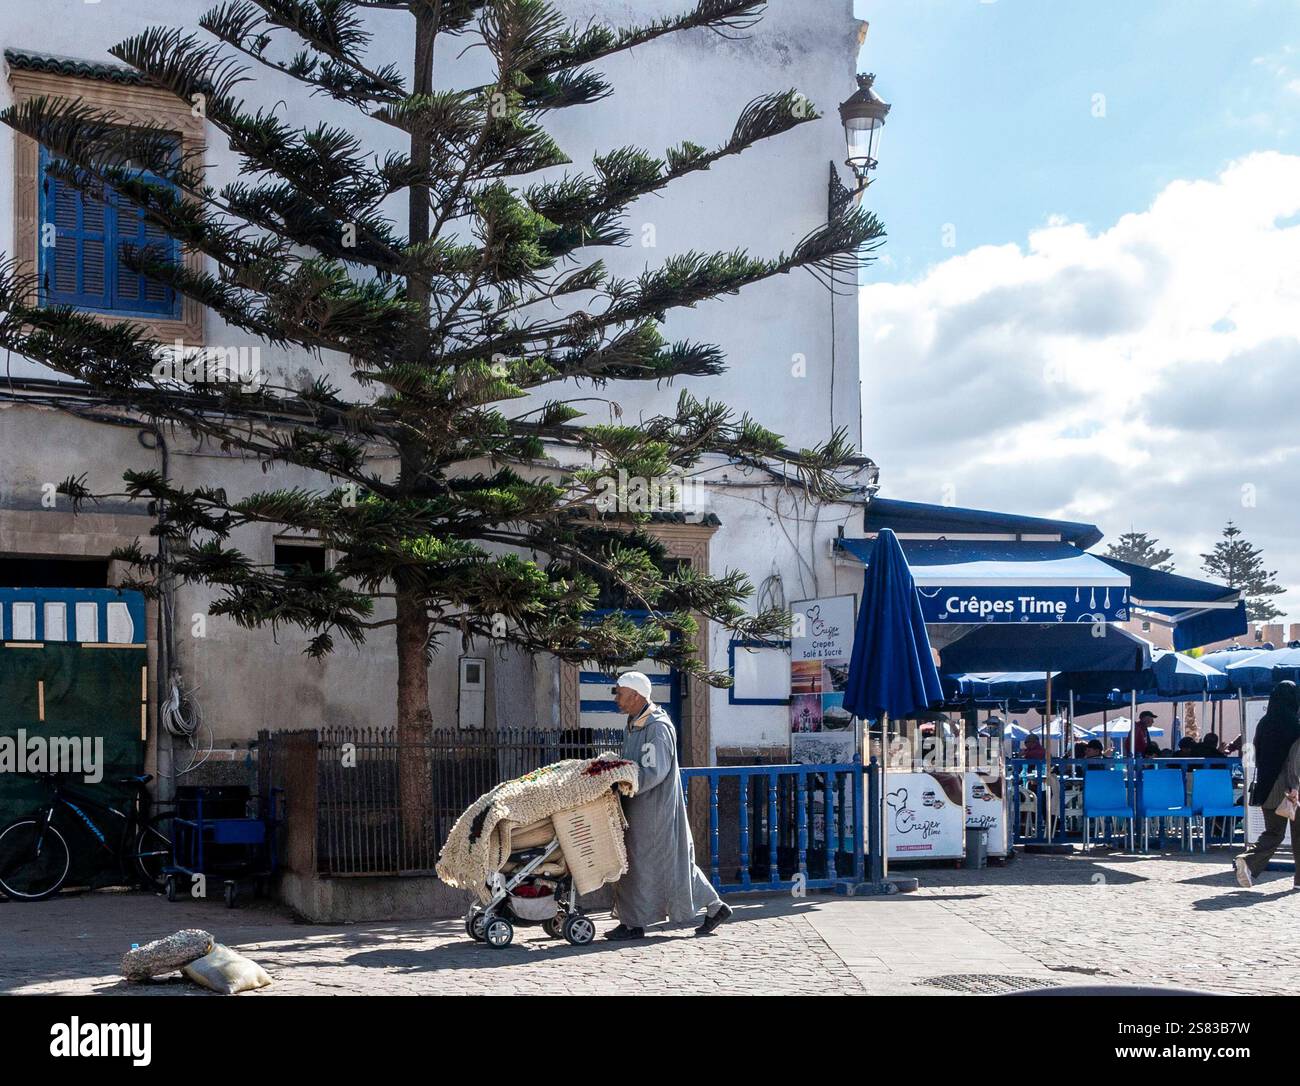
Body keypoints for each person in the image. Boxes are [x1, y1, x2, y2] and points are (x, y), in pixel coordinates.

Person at [605, 671, 733, 939]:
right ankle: (634, 920)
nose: (616, 697)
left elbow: (654, 770)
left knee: (659, 862)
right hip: (638, 804)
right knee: (647, 861)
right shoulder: (635, 723)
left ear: (636, 694)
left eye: (620, 692)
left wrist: (623, 782)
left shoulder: (657, 727)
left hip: (654, 807)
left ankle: (636, 923)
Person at [1235, 681, 1300, 888]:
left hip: (1266, 788)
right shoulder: (1295, 725)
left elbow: (1257, 752)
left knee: (1273, 832)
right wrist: (1294, 786)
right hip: (1290, 787)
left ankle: (1249, 860)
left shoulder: (1263, 723)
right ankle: (1298, 880)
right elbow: (1293, 760)